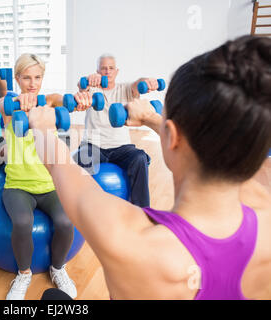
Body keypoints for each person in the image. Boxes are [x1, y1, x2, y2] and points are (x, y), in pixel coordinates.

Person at [27, 35, 271, 299]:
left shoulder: (130, 239)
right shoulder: (265, 205)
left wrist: (40, 127)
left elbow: (59, 164)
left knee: (52, 300)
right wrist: (153, 118)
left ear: (172, 135)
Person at [0, 53, 77, 300]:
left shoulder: (48, 103)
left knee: (66, 222)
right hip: (18, 185)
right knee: (22, 222)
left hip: (49, 183)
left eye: (37, 77)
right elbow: (3, 104)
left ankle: (58, 268)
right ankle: (23, 274)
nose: (32, 83)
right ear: (18, 78)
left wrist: (77, 99)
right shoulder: (8, 104)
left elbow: (61, 99)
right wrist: (20, 101)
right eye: (27, 78)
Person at [74, 54, 162, 207]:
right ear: (97, 71)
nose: (107, 71)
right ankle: (82, 210)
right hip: (93, 144)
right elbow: (81, 89)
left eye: (111, 68)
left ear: (117, 71)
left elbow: (137, 84)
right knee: (80, 160)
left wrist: (147, 82)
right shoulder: (91, 91)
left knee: (140, 158)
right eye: (103, 68)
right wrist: (86, 82)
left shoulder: (126, 89)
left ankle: (142, 211)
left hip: (121, 147)